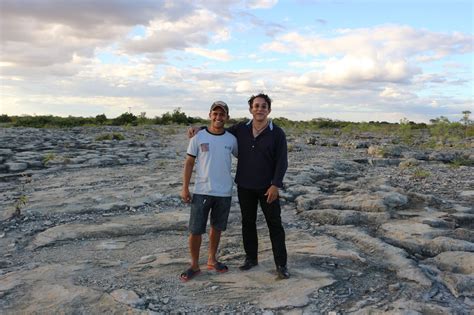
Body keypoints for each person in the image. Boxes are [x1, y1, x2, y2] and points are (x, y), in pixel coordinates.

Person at [188, 93, 290, 279]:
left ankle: (281, 265)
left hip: (268, 188)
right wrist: (200, 129)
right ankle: (251, 259)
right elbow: (218, 128)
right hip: (245, 185)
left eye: (263, 106)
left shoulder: (277, 132)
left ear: (269, 109)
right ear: (251, 109)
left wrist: (276, 185)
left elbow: (282, 161)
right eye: (256, 106)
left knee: (274, 225)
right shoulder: (241, 129)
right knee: (248, 223)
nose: (259, 109)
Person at [180, 101, 238, 282]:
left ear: (227, 117)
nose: (218, 117)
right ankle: (195, 265)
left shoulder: (231, 139)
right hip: (202, 190)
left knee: (217, 228)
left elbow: (243, 157)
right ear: (210, 115)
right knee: (196, 229)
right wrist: (185, 188)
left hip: (224, 192)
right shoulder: (198, 137)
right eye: (215, 113)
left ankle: (212, 260)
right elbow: (189, 163)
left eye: (222, 114)